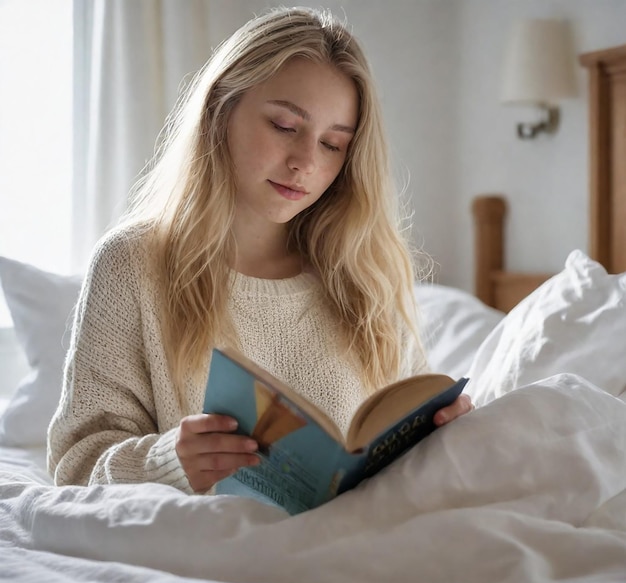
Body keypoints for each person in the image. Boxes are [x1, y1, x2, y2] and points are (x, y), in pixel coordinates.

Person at [47, 6, 473, 495]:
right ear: (219, 109)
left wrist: (443, 438)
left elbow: (399, 447)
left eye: (333, 144)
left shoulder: (364, 276)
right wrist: (170, 460)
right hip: (203, 554)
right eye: (286, 126)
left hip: (351, 550)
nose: (305, 162)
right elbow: (74, 467)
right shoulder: (132, 264)